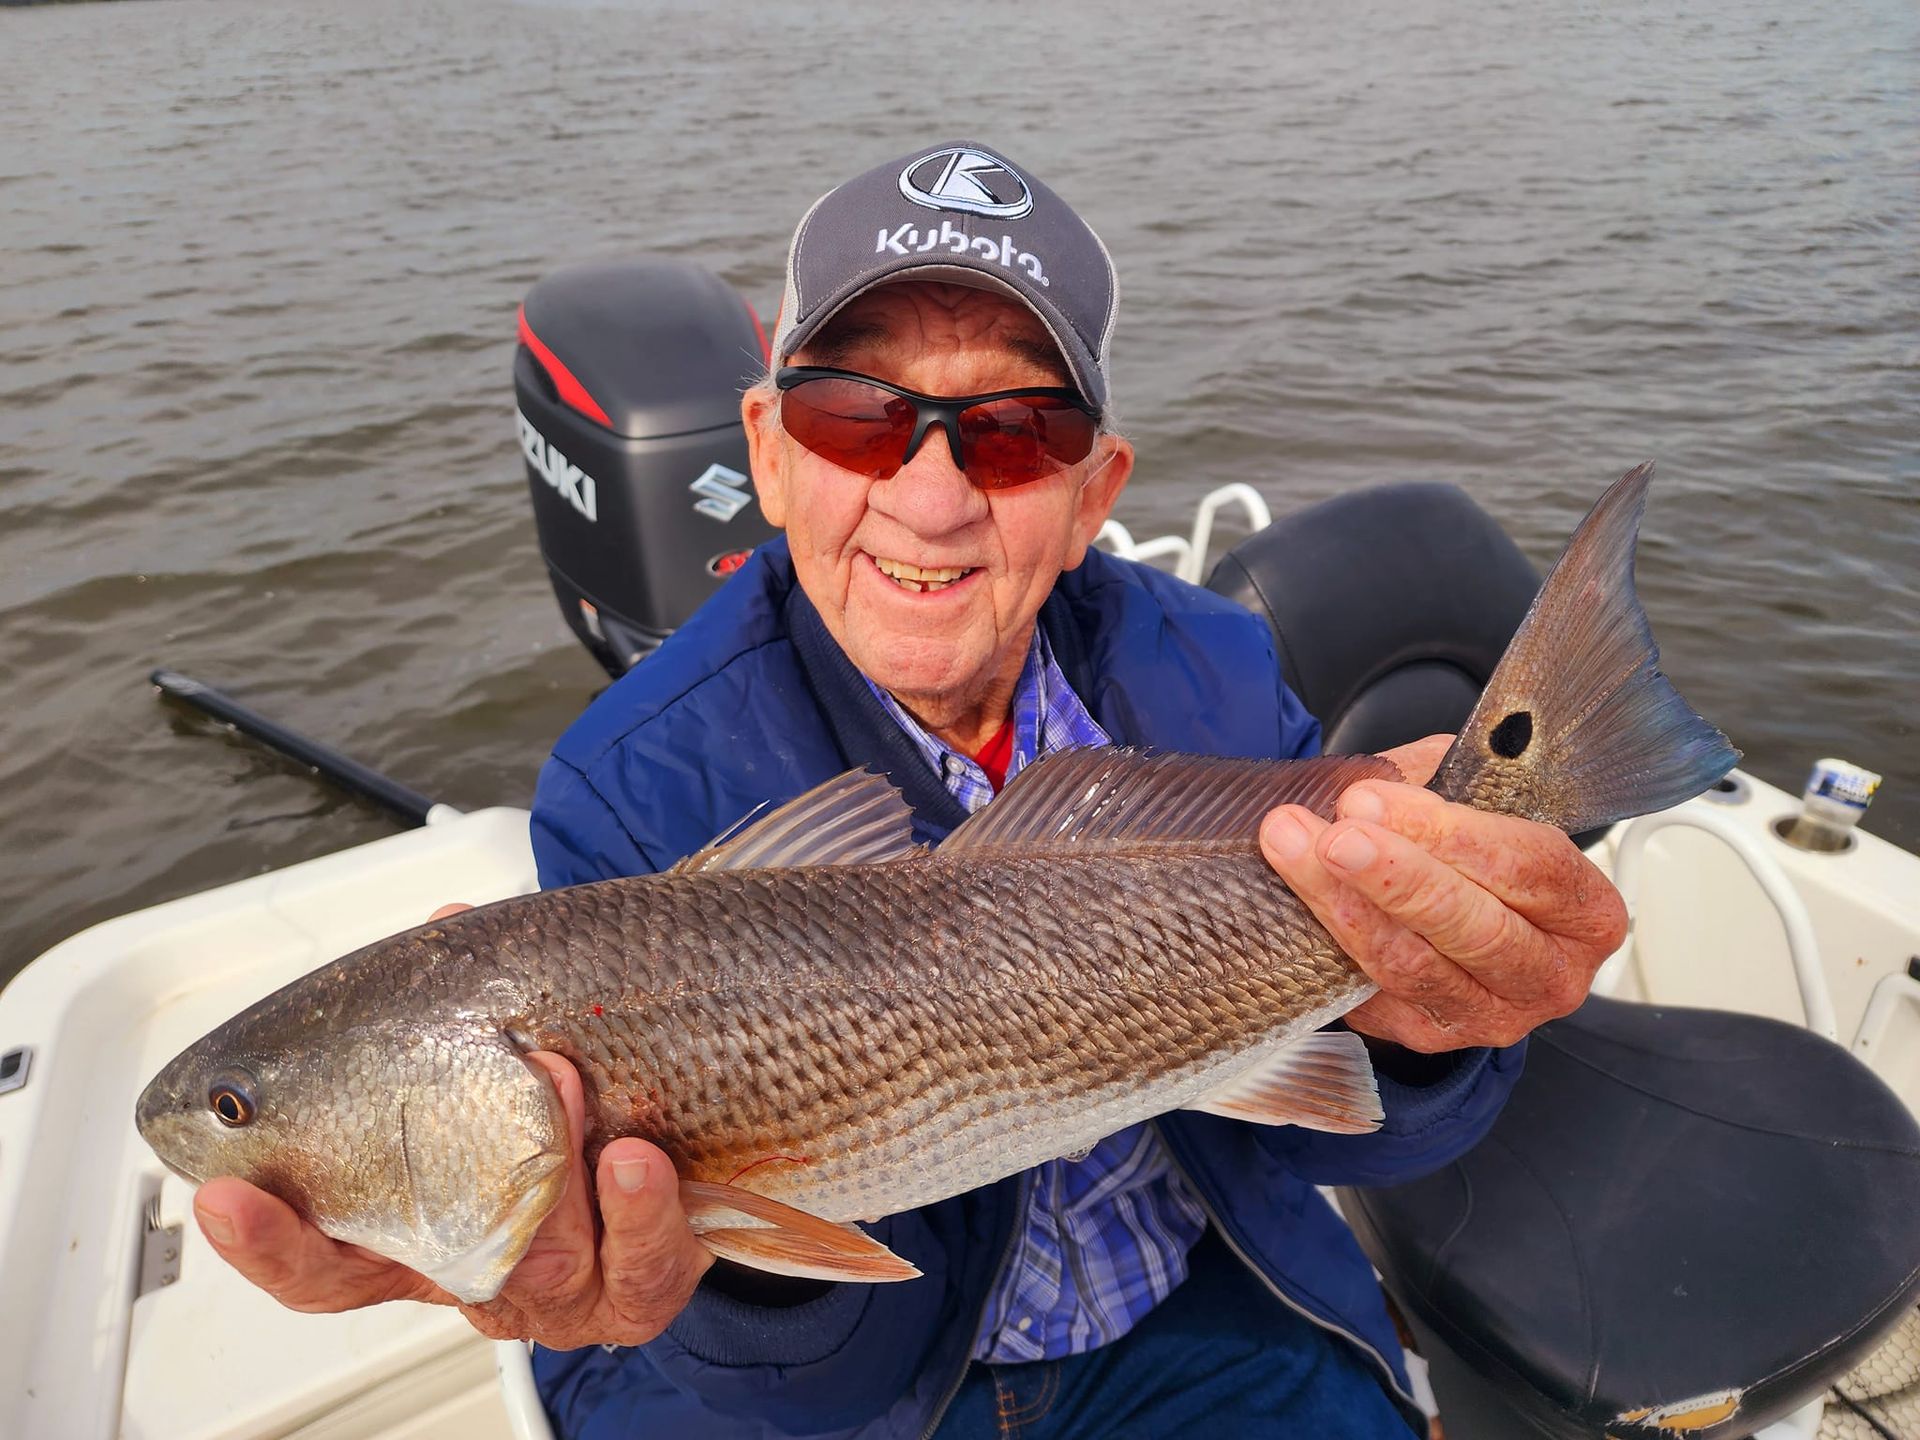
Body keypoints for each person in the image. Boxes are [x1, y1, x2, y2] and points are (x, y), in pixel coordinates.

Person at [194, 142, 1627, 1437]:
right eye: (852, 415)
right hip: (895, 1395)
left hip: (1215, 1301)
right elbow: (815, 1382)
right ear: (763, 449)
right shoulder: (633, 784)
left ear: (1092, 491)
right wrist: (722, 1291)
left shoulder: (1216, 666)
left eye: (1013, 434)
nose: (930, 497)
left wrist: (1439, 1030)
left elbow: (1381, 1124)